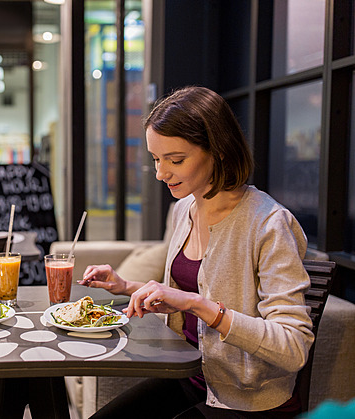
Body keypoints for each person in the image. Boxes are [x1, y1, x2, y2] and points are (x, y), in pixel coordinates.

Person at [80, 86, 314, 418]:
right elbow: (185, 294)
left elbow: (293, 346)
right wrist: (127, 286)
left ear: (218, 150)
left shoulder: (269, 224)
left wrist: (200, 306)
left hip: (246, 400)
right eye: (156, 159)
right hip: (190, 377)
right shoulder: (183, 209)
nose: (161, 174)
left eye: (175, 160)